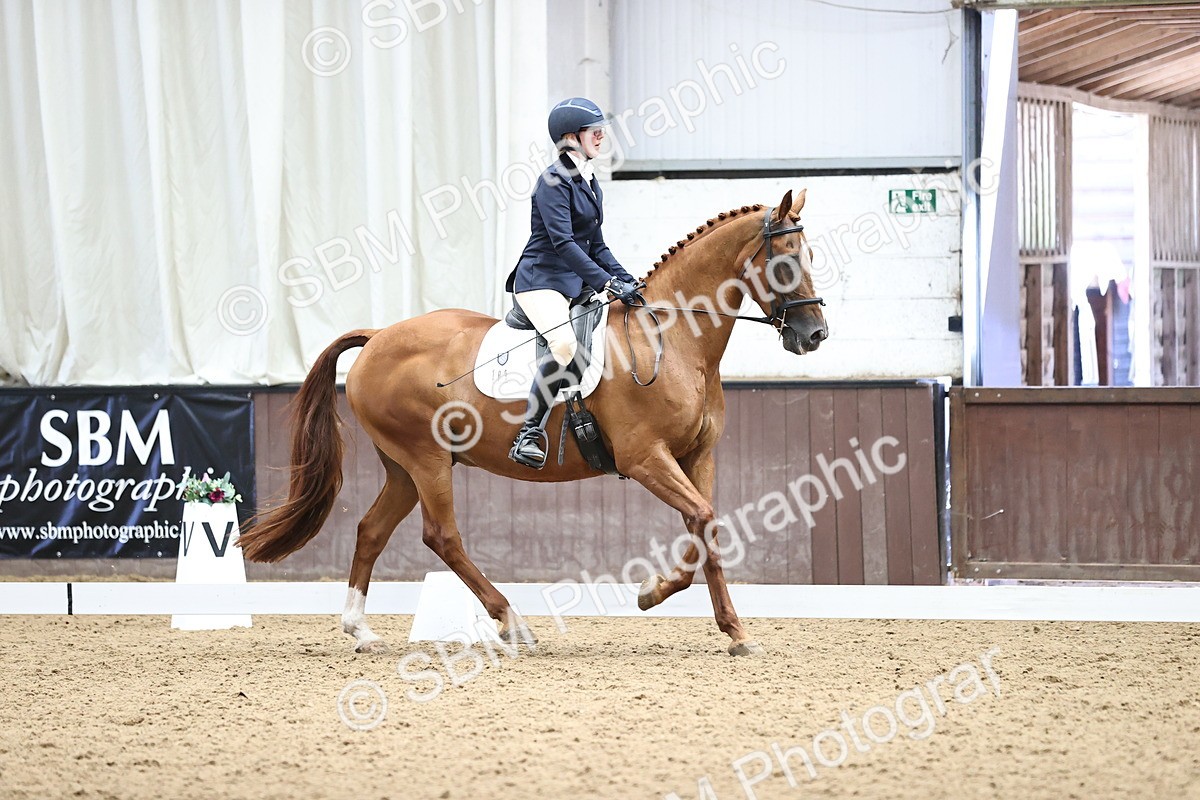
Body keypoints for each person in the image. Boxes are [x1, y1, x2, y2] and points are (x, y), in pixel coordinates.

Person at [504, 97, 644, 469]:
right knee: (565, 343)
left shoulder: (590, 182)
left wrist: (629, 281)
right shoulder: (553, 182)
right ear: (570, 138)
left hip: (575, 282)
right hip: (541, 280)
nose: (601, 136)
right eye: (593, 131)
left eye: (601, 130)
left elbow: (596, 245)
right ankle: (529, 432)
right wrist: (606, 282)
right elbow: (564, 243)